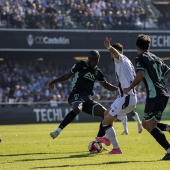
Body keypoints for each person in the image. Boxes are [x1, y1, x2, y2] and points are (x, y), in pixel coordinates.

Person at [49, 50, 118, 141]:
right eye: (92, 59)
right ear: (89, 59)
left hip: (88, 99)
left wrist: (118, 89)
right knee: (77, 109)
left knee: (107, 115)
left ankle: (97, 141)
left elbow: (106, 85)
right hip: (76, 95)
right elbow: (67, 75)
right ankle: (58, 130)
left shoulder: (97, 72)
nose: (94, 62)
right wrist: (54, 81)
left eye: (96, 60)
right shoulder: (81, 64)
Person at [123, 34, 170, 160]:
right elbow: (169, 72)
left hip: (154, 95)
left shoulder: (140, 57)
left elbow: (140, 75)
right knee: (145, 123)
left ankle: (169, 150)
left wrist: (129, 87)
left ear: (137, 46)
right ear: (148, 46)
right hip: (163, 94)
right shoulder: (157, 58)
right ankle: (168, 128)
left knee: (150, 126)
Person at [95, 37, 138, 154]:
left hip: (127, 98)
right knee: (105, 114)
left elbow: (116, 54)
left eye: (112, 52)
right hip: (124, 97)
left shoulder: (121, 59)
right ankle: (108, 139)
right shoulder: (127, 61)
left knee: (105, 122)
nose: (111, 54)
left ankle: (116, 147)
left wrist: (109, 47)